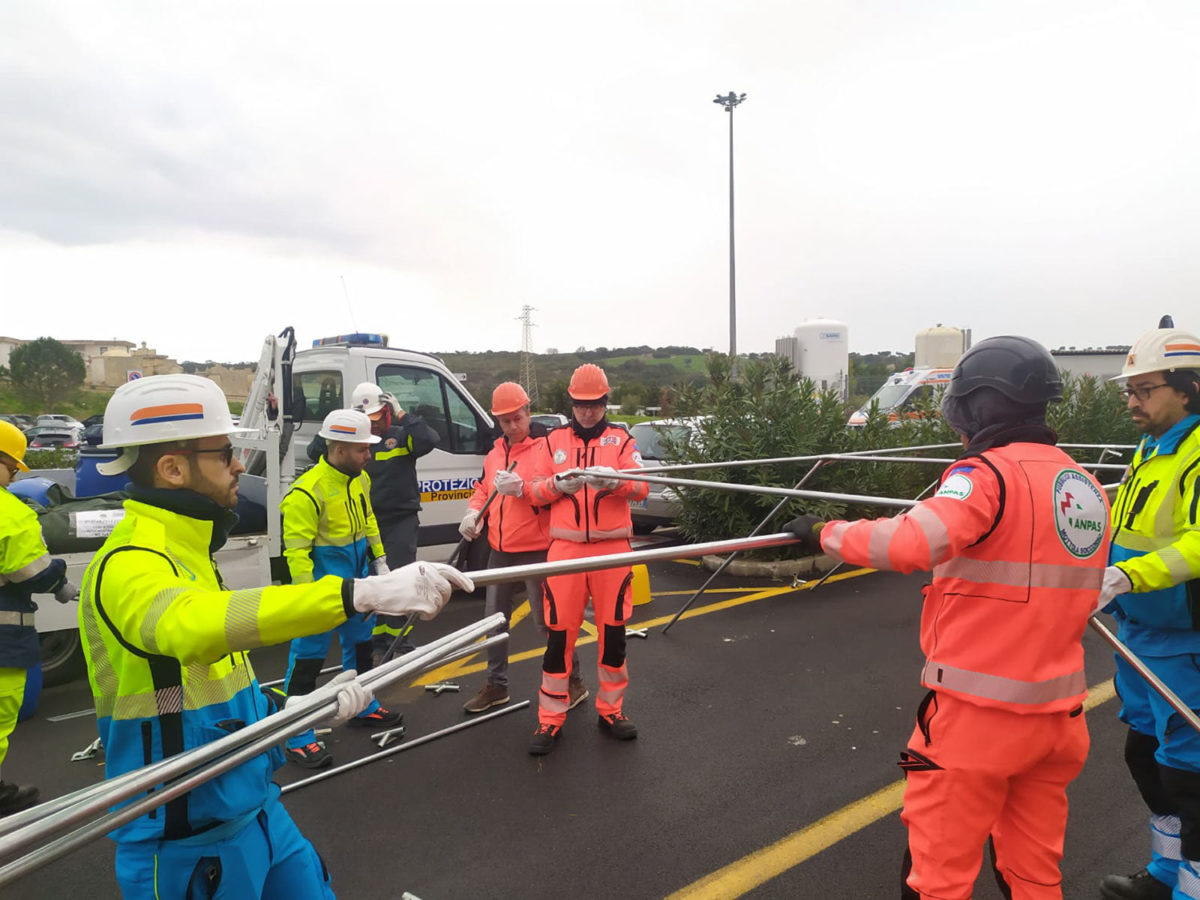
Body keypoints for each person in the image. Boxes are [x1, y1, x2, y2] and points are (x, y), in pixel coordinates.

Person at [79, 374, 471, 898]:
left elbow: (222, 684)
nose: (240, 464)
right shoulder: (128, 563)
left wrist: (295, 716)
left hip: (257, 807)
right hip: (184, 842)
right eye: (224, 452)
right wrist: (356, 593)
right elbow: (192, 626)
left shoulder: (191, 554)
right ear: (172, 468)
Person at [786, 336, 1109, 899]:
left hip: (978, 723)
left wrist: (823, 532)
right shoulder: (1078, 482)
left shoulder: (983, 476)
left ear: (980, 408)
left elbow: (908, 543)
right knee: (1033, 873)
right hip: (1058, 719)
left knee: (938, 878)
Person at [1095, 325, 1200, 900]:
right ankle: (1166, 872)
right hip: (1139, 635)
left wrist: (1129, 575)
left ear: (1188, 389)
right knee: (1145, 756)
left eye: (1145, 388)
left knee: (1192, 774)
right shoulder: (1151, 449)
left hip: (1187, 640)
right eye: (1128, 390)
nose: (1132, 400)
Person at [522, 363, 649, 755]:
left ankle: (611, 710)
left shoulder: (622, 440)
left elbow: (643, 487)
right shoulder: (551, 441)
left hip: (613, 550)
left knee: (613, 635)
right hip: (566, 550)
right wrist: (556, 485)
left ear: (605, 403)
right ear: (572, 403)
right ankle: (550, 718)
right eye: (580, 404)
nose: (587, 411)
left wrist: (615, 481)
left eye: (594, 404)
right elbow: (532, 492)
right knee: (559, 636)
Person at [280, 408, 403, 769]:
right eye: (363, 449)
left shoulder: (358, 479)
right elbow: (296, 552)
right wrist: (308, 596)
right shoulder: (306, 492)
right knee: (308, 661)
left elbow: (368, 521)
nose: (369, 455)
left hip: (358, 583)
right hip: (322, 591)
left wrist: (379, 561)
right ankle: (296, 733)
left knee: (361, 649)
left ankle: (363, 705)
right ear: (339, 448)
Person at [458, 382, 585, 715]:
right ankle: (496, 686)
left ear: (528, 412)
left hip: (538, 549)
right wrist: (473, 512)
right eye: (505, 421)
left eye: (517, 418)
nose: (513, 427)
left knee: (547, 622)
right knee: (493, 622)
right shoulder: (495, 453)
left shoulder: (546, 448)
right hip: (499, 549)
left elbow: (556, 491)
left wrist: (523, 489)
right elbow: (483, 489)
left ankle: (573, 680)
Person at [0, 421, 77, 816]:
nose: (13, 477)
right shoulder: (10, 513)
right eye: (13, 468)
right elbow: (34, 570)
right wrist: (63, 583)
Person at [348, 382, 439, 660]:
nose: (373, 425)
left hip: (401, 521)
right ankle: (377, 642)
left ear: (386, 412)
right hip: (368, 525)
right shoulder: (357, 442)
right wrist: (346, 417)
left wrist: (403, 415)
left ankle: (398, 641)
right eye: (367, 420)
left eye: (376, 418)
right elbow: (319, 449)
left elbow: (429, 440)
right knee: (371, 582)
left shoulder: (402, 436)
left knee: (400, 581)